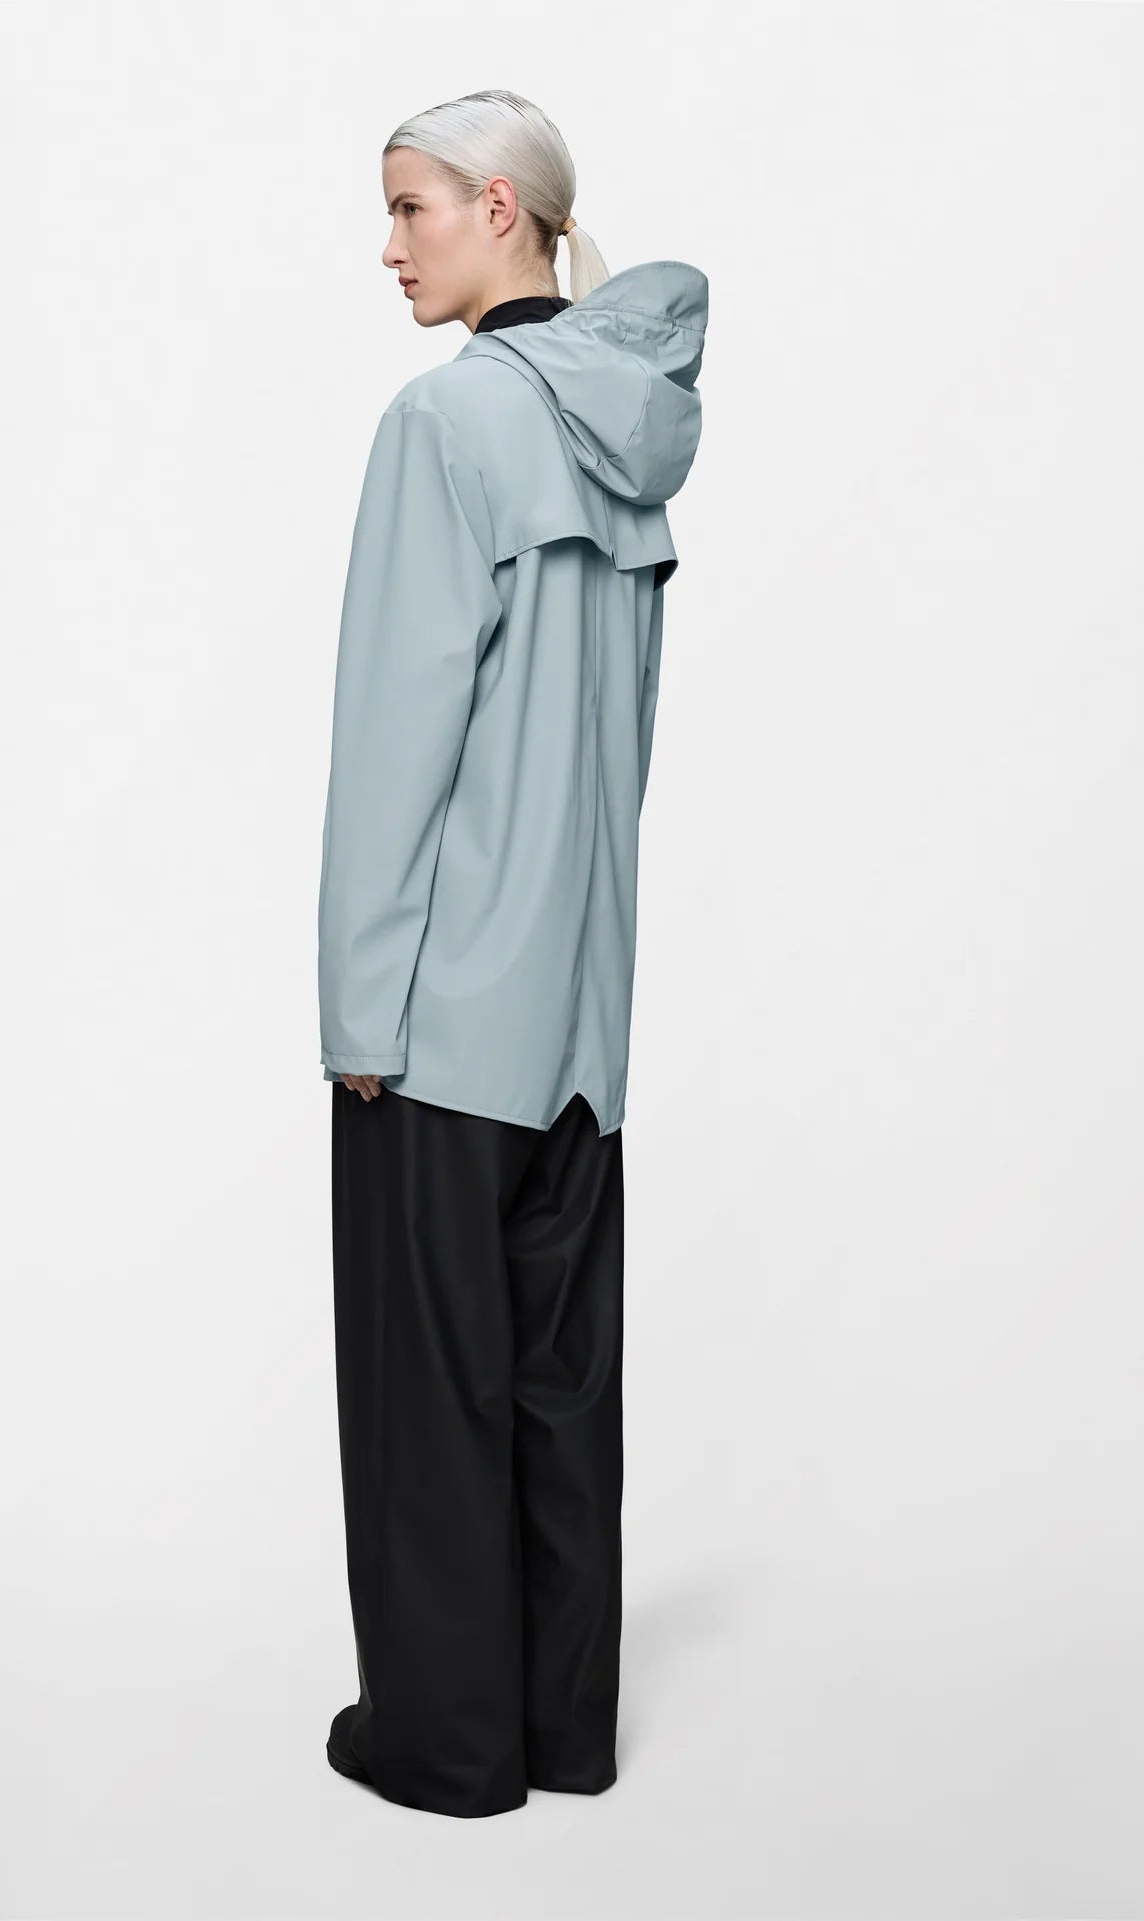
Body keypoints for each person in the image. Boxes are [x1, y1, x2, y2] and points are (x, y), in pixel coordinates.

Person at [317, 88, 709, 1818]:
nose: (388, 246)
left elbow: (395, 740)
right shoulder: (636, 426)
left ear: (499, 208)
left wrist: (359, 1004)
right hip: (579, 1022)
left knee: (432, 1397)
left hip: (441, 1013)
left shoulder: (449, 420)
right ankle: (563, 1732)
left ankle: (447, 1746)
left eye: (410, 208)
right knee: (558, 1389)